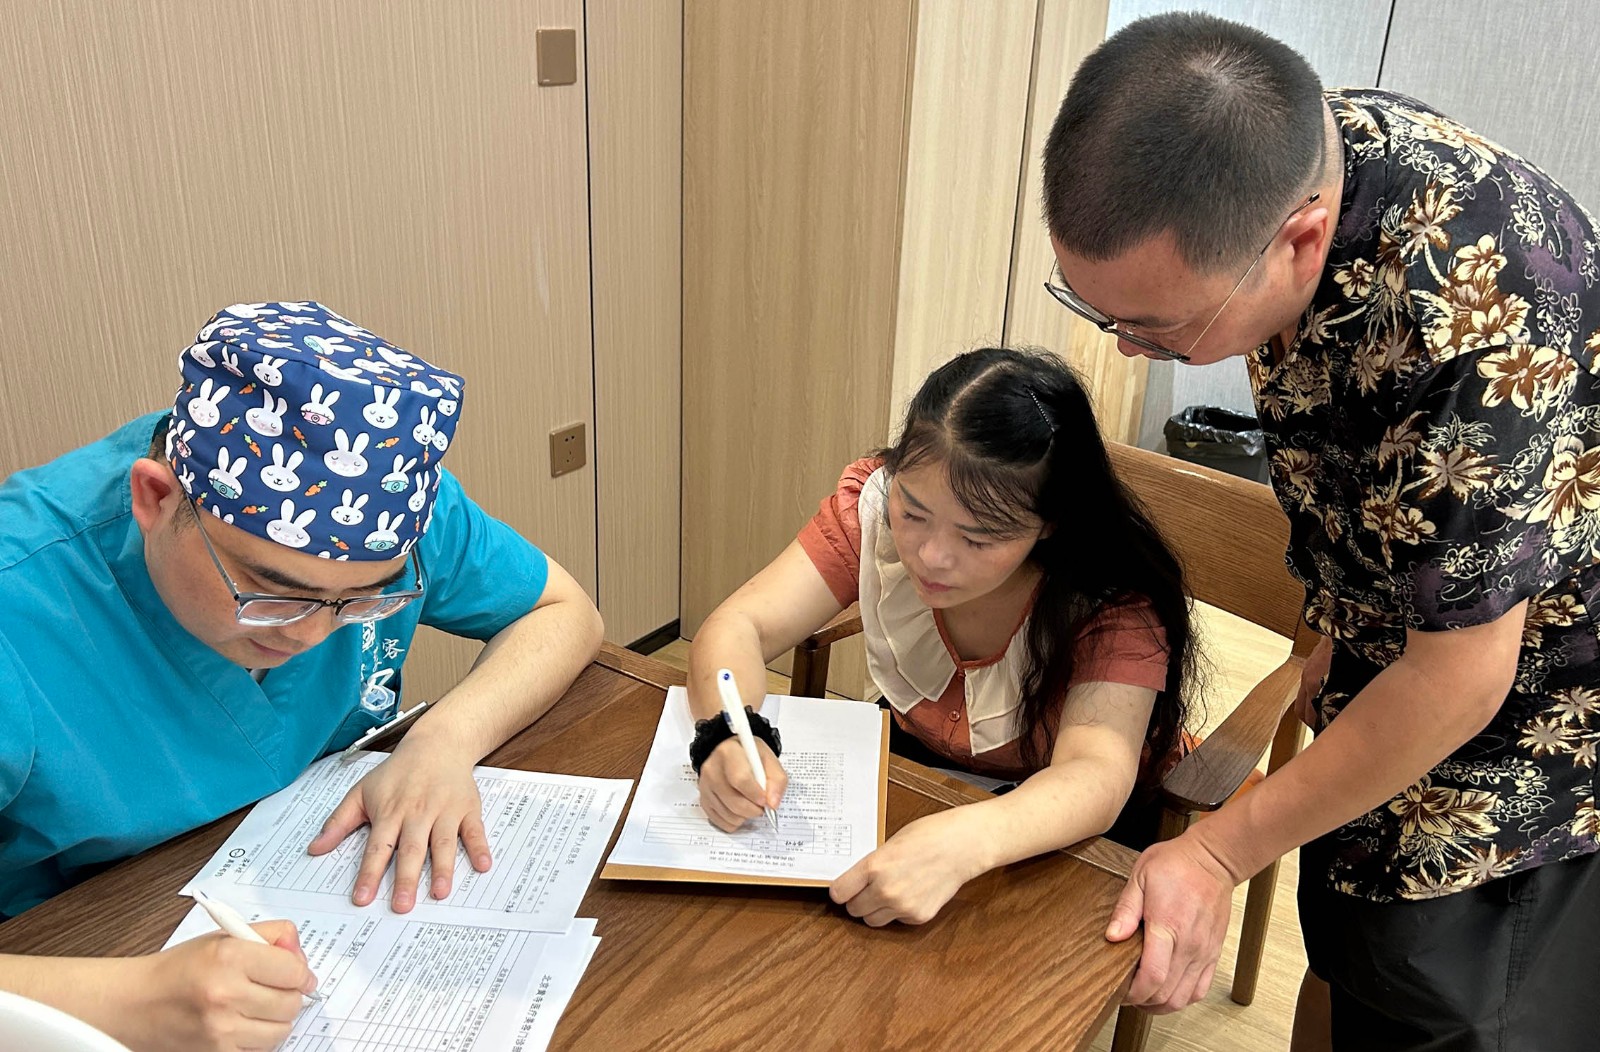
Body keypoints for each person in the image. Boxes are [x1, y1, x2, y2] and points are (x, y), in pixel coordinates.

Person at [1040, 13, 1600, 1051]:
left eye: (1157, 328)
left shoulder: (1472, 322)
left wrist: (1217, 852)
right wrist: (1340, 631)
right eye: (1099, 311)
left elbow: (1462, 679)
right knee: (1347, 944)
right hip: (1403, 635)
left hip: (1536, 708)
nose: (1124, 353)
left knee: (1438, 995)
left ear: (1300, 240)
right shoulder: (1282, 155)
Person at [0, 301, 603, 1051]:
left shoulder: (380, 505)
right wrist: (128, 1000)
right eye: (270, 590)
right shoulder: (21, 607)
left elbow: (563, 611)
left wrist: (443, 741)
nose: (311, 633)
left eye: (361, 600)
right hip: (76, 953)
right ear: (155, 499)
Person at [687, 347, 1195, 926]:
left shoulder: (1108, 599)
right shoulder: (872, 511)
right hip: (921, 768)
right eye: (914, 512)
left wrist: (967, 841)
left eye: (978, 538)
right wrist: (728, 734)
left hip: (1059, 828)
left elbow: (1094, 774)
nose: (931, 556)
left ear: (1049, 524)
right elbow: (740, 625)